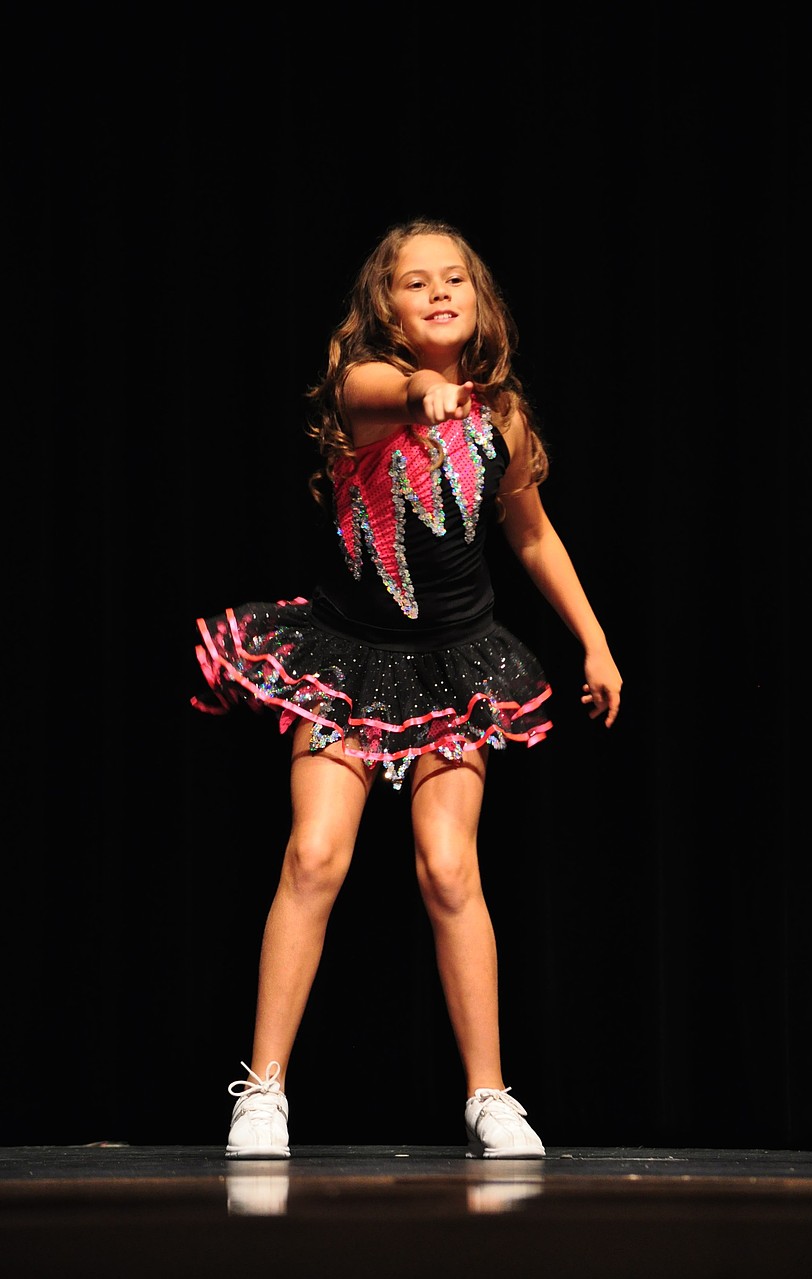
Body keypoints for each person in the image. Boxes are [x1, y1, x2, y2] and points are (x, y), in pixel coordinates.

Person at [192, 217, 622, 1160]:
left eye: (455, 280)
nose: (437, 293)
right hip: (347, 661)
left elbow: (533, 536)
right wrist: (425, 387)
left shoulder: (500, 416)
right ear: (384, 306)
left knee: (447, 865)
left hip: (457, 667)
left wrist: (594, 642)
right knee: (315, 854)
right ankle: (262, 1090)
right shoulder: (366, 390)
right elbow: (393, 388)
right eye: (415, 282)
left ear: (480, 302)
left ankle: (489, 1094)